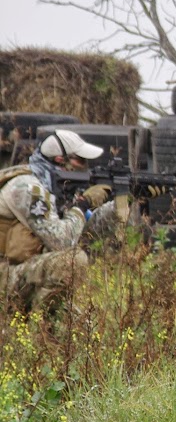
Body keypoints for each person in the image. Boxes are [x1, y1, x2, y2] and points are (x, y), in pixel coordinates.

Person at [0, 129, 117, 310]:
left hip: (20, 272)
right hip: (5, 276)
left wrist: (124, 201)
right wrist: (82, 205)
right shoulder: (29, 187)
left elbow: (88, 233)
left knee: (84, 329)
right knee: (73, 260)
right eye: (80, 160)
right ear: (60, 160)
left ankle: (41, 320)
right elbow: (62, 242)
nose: (85, 166)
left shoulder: (53, 188)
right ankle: (39, 324)